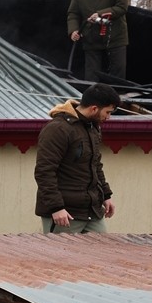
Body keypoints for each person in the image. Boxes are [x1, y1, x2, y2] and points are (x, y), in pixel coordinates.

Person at [34, 83, 121, 233]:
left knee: (102, 254)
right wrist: (56, 208)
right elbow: (44, 171)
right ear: (94, 108)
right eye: (107, 112)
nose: (108, 117)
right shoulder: (57, 129)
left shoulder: (93, 127)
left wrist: (106, 195)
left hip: (92, 211)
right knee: (62, 257)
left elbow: (95, 165)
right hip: (64, 214)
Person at [67, 0, 130, 82]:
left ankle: (116, 99)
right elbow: (73, 13)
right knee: (91, 76)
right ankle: (93, 98)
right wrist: (74, 30)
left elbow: (122, 7)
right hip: (91, 38)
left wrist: (100, 14)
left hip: (115, 37)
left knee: (117, 74)